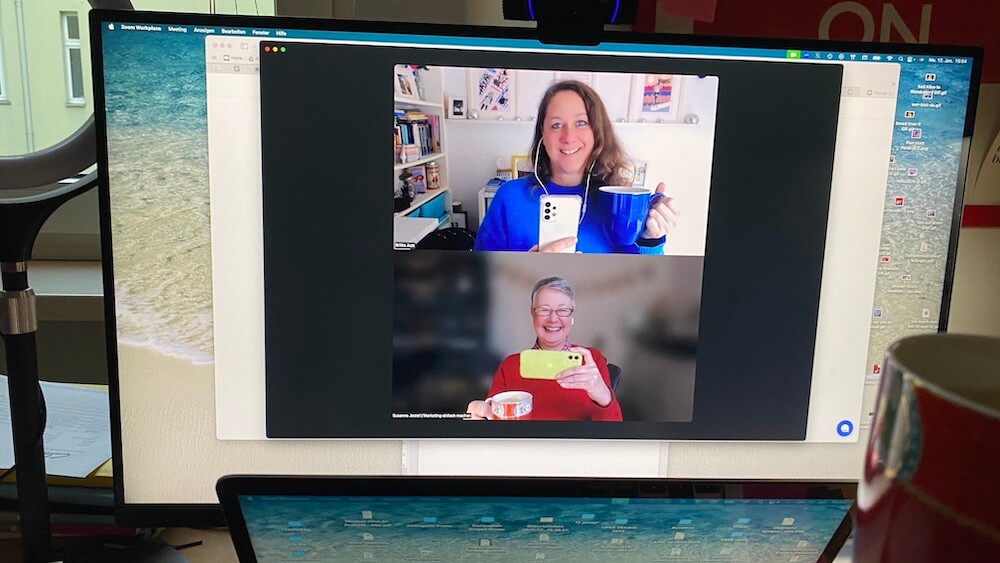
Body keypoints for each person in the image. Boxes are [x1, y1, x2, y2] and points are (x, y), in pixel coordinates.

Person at [474, 80, 679, 254]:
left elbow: (643, 286)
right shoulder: (509, 198)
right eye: (556, 125)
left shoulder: (620, 203)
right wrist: (530, 271)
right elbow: (483, 281)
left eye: (581, 123)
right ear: (543, 136)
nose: (568, 137)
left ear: (597, 132)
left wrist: (651, 239)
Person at [467, 277, 623, 421]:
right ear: (533, 314)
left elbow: (614, 435)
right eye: (544, 309)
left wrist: (603, 395)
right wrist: (478, 418)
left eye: (562, 310)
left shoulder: (591, 360)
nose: (553, 319)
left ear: (571, 317)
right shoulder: (510, 365)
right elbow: (492, 428)